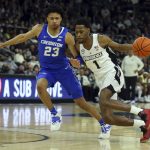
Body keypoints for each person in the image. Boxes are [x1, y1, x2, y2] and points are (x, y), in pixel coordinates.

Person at [0, 5, 111, 138]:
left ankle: (104, 123)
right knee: (40, 86)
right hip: (47, 70)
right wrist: (3, 44)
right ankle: (54, 114)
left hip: (64, 70)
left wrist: (78, 62)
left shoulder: (67, 35)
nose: (54, 21)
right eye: (51, 18)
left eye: (57, 18)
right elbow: (22, 37)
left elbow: (78, 55)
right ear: (47, 18)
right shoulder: (39, 29)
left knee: (81, 102)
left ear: (61, 20)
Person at [73, 18, 150, 143]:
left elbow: (119, 47)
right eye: (76, 32)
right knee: (108, 118)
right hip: (100, 79)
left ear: (88, 30)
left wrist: (136, 47)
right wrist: (75, 62)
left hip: (113, 72)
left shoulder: (100, 39)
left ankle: (143, 112)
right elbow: (77, 59)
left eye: (81, 31)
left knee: (104, 99)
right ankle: (142, 125)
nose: (79, 34)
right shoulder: (77, 45)